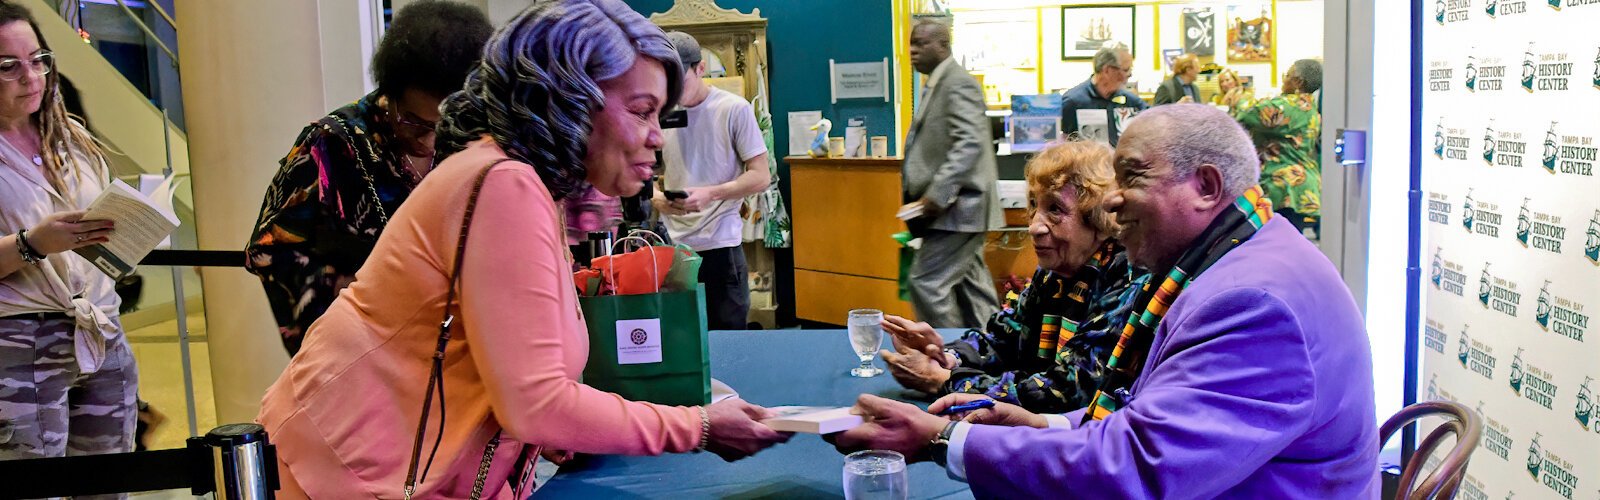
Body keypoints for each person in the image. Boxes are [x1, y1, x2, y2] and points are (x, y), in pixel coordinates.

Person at [256, 2, 789, 497]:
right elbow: (536, 403)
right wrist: (695, 426)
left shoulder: (522, 183)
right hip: (353, 472)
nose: (657, 136)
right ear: (572, 101)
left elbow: (517, 381)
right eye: (643, 111)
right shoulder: (502, 184)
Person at [832, 104, 1377, 498]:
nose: (1114, 202)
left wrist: (945, 438)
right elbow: (1144, 420)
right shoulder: (1244, 258)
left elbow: (1138, 468)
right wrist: (1040, 426)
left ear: (1207, 187)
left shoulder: (1252, 304)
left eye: (1133, 177)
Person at [244, 0, 493, 356]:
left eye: (443, 124)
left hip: (450, 354)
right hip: (362, 356)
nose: (428, 140)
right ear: (389, 93)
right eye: (414, 122)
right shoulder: (332, 145)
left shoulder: (471, 141)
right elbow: (269, 251)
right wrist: (357, 294)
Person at [878, 139, 1141, 414]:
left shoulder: (1125, 278)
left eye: (1055, 209)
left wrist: (947, 382)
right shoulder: (1052, 273)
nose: (1034, 226)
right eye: (1033, 206)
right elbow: (1002, 336)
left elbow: (1066, 391)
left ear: (1099, 219)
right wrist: (945, 357)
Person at [0, 1, 137, 468]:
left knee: (111, 484)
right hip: (22, 345)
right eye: (8, 66)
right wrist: (32, 243)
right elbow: (43, 239)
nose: (31, 76)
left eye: (38, 60)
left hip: (102, 331)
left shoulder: (68, 133)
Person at [652, 31, 770, 330]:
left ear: (700, 68)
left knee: (728, 343)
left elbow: (760, 176)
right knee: (679, 342)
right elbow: (643, 173)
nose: (673, 90)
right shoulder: (657, 112)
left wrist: (711, 194)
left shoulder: (734, 108)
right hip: (673, 248)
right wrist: (655, 198)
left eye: (681, 79)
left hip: (721, 246)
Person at [900, 19, 1002, 328]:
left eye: (921, 43)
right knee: (973, 289)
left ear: (943, 45)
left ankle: (948, 359)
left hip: (959, 208)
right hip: (957, 210)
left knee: (926, 284)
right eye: (911, 44)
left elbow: (969, 144)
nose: (913, 50)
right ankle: (993, 347)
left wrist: (935, 196)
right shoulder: (939, 82)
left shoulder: (957, 82)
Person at [1238, 59, 1323, 238]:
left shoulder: (1290, 106)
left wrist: (1241, 95)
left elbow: (1247, 113)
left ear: (1298, 81)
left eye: (1287, 75)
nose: (1284, 79)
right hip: (1300, 184)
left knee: (1275, 244)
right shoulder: (1310, 108)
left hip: (1283, 187)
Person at [1060, 44, 1148, 145]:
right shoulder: (1073, 101)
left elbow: (1152, 119)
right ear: (1107, 70)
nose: (1130, 75)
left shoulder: (1130, 101)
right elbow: (1063, 144)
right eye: (1126, 69)